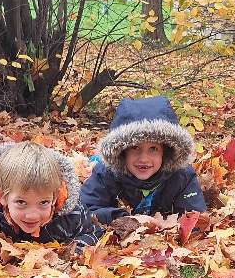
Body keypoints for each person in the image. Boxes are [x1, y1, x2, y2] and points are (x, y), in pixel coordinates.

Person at [79, 95, 207, 225]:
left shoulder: (182, 176)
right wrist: (124, 219)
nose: (144, 159)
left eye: (153, 148)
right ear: (122, 151)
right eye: (135, 148)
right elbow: (84, 212)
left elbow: (195, 218)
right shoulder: (105, 174)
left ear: (166, 151)